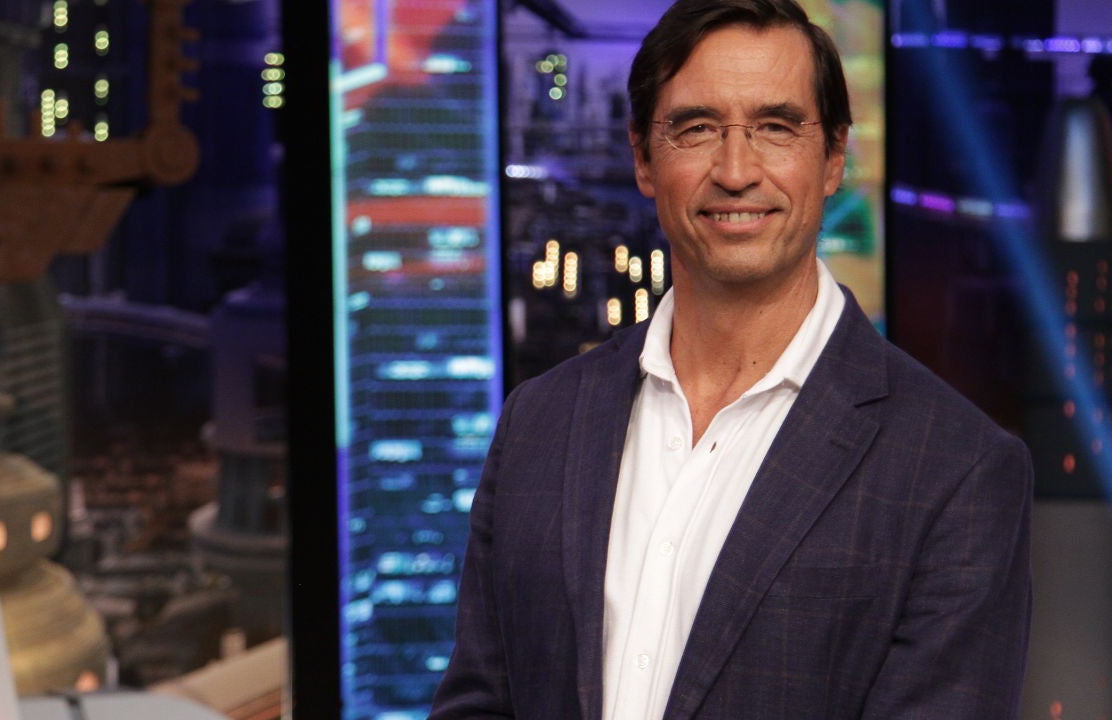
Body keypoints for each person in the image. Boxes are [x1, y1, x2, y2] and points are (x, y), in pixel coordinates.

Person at [429, 0, 1033, 717]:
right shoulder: (538, 421)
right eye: (697, 128)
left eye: (776, 127)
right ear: (643, 159)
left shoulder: (958, 471)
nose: (737, 170)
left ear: (833, 157)